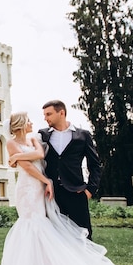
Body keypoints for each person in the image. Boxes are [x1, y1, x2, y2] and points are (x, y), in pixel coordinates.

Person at [0, 112, 127, 265]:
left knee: (43, 227)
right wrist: (45, 180)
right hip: (28, 189)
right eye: (28, 120)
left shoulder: (33, 139)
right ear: (20, 124)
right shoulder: (11, 143)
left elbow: (40, 156)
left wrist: (18, 156)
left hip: (41, 187)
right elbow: (27, 168)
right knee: (31, 228)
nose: (32, 122)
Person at [39, 100, 100, 240]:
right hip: (51, 194)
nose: (45, 118)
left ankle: (86, 262)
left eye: (48, 114)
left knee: (84, 236)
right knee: (54, 238)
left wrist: (90, 190)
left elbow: (95, 165)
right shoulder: (43, 135)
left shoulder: (83, 135)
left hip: (76, 192)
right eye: (44, 114)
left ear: (61, 113)